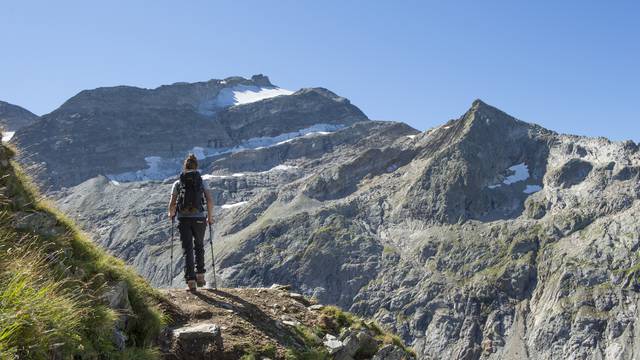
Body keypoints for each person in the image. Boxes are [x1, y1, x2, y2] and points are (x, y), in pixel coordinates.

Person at [168, 154, 214, 291]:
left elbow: (172, 203)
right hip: (199, 218)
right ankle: (200, 275)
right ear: (196, 166)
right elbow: (210, 201)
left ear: (185, 166)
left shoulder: (178, 183)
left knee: (187, 249)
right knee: (199, 245)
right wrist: (210, 217)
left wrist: (171, 213)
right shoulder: (201, 181)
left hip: (183, 219)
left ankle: (191, 281)